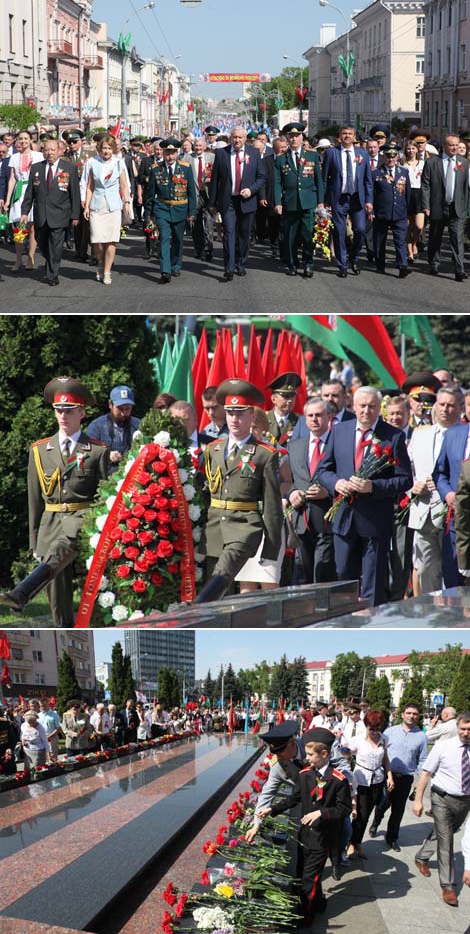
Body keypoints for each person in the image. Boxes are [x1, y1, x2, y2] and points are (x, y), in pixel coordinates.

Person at [0, 376, 109, 625]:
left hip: (83, 525)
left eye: (69, 411)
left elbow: (104, 496)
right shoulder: (40, 450)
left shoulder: (97, 451)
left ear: (82, 413)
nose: (63, 416)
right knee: (58, 604)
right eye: (59, 410)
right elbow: (34, 499)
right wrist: (34, 540)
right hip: (51, 527)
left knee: (96, 596)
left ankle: (22, 593)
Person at [316, 387, 413, 606]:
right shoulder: (339, 431)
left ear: (380, 409)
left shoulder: (393, 436)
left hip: (375, 521)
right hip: (344, 518)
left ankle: (371, 627)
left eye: (372, 406)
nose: (366, 411)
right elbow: (323, 471)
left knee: (373, 581)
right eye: (362, 406)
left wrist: (372, 486)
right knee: (343, 578)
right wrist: (336, 483)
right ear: (353, 406)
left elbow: (405, 480)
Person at [194, 378, 284, 604]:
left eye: (240, 413)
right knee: (219, 590)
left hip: (245, 528)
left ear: (252, 416)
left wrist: (271, 550)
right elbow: (206, 492)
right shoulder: (213, 449)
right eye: (230, 412)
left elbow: (272, 507)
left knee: (220, 576)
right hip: (215, 528)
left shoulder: (265, 454)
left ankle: (194, 610)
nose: (234, 419)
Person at [259, 727, 352, 924]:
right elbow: (295, 798)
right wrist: (271, 810)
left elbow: (343, 810)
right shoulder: (305, 775)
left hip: (322, 837)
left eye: (310, 754)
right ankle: (318, 903)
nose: (307, 758)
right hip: (305, 835)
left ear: (324, 754)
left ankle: (305, 915)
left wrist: (321, 812)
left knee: (309, 878)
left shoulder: (338, 780)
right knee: (304, 874)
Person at [407, 386, 462, 595]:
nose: (445, 410)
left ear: (459, 408)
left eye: (451, 405)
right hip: (423, 513)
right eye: (441, 404)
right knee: (424, 569)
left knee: (454, 572)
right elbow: (408, 472)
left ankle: (455, 619)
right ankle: (433, 617)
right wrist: (414, 487)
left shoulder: (465, 435)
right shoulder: (420, 435)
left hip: (453, 514)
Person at [413, 711, 470, 906]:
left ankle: (421, 857)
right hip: (442, 798)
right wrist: (418, 800)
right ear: (457, 727)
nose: (466, 733)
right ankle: (448, 886)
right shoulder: (443, 746)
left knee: (445, 832)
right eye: (463, 728)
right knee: (447, 841)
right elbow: (426, 773)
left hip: (464, 801)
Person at [287, 397, 336, 584]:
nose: (314, 419)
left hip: (328, 520)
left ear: (329, 417)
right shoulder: (295, 447)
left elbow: (347, 476)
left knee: (323, 572)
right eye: (310, 416)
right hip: (302, 521)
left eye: (319, 415)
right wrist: (292, 493)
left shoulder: (338, 443)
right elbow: (287, 480)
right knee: (304, 576)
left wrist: (328, 492)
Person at [20, 136, 80, 286]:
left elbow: (75, 194)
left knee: (56, 245)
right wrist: (24, 212)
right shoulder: (36, 168)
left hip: (60, 214)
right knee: (42, 243)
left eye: (52, 150)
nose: (49, 153)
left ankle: (52, 275)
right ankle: (50, 261)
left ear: (59, 151)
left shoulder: (69, 168)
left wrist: (75, 214)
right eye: (46, 150)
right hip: (41, 214)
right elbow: (30, 193)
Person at [208, 127, 266, 280]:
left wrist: (251, 190)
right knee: (229, 234)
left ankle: (241, 263)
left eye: (240, 137)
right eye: (234, 137)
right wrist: (212, 203)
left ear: (245, 138)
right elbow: (215, 180)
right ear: (230, 138)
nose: (237, 140)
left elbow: (261, 177)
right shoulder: (222, 154)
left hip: (247, 200)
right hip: (229, 202)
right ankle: (229, 267)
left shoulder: (253, 153)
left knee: (244, 235)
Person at [369, 703, 428, 850]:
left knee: (398, 809)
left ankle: (392, 837)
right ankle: (375, 823)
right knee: (382, 804)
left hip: (406, 778)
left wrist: (419, 782)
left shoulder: (421, 737)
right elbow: (380, 750)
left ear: (418, 716)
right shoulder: (390, 732)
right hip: (388, 775)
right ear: (402, 714)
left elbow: (422, 760)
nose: (411, 716)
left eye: (415, 714)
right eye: (408, 713)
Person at [273, 122, 324, 277]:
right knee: (291, 236)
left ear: (302, 137)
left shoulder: (312, 155)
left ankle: (308, 264)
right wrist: (278, 202)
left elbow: (319, 180)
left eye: (297, 136)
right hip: (290, 202)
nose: (294, 139)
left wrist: (321, 201)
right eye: (291, 136)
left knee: (308, 235)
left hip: (309, 202)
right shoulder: (281, 159)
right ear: (287, 138)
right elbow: (277, 182)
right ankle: (292, 264)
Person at [322, 124, 373, 277]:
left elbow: (367, 180)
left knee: (360, 230)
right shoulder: (332, 153)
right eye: (344, 133)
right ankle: (342, 265)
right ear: (340, 135)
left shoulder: (362, 154)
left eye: (350, 133)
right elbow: (325, 178)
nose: (347, 136)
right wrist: (324, 201)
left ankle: (354, 258)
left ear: (354, 136)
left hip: (357, 198)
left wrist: (369, 200)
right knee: (339, 232)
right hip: (338, 198)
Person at [144, 137, 197, 284]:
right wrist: (148, 214)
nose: (170, 156)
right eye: (168, 152)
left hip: (180, 208)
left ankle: (176, 265)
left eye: (173, 153)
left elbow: (191, 191)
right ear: (163, 152)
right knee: (164, 239)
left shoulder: (185, 168)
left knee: (178, 240)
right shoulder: (156, 169)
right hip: (162, 208)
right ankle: (165, 270)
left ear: (177, 152)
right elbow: (150, 193)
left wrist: (192, 211)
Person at [245, 720, 306, 843]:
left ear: (292, 743)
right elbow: (268, 792)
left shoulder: (310, 745)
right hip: (305, 801)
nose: (278, 756)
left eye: (280, 751)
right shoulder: (278, 764)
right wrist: (256, 824)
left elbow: (340, 764)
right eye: (275, 753)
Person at [421, 133, 470, 281]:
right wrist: (426, 205)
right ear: (444, 147)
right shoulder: (432, 162)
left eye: (456, 145)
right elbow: (425, 185)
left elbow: (465, 188)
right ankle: (434, 263)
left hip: (457, 208)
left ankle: (459, 270)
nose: (454, 147)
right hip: (437, 206)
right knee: (435, 238)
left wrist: (466, 207)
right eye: (451, 145)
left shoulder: (463, 162)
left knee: (457, 239)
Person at [83, 134, 131, 285]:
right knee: (97, 241)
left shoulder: (119, 163)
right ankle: (100, 262)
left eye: (109, 148)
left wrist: (127, 202)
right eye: (104, 148)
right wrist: (86, 205)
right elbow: (90, 186)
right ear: (99, 149)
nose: (106, 151)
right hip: (97, 206)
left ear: (114, 149)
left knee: (111, 241)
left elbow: (124, 185)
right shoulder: (92, 163)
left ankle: (107, 270)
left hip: (113, 207)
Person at [345, 710, 394, 858]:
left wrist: (389, 776)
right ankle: (352, 843)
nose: (373, 732)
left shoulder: (384, 739)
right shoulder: (358, 740)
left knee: (368, 813)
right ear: (366, 726)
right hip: (361, 780)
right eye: (371, 728)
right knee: (360, 814)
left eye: (377, 729)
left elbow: (385, 758)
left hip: (377, 779)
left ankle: (357, 842)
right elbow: (346, 755)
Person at [370, 142, 411, 278]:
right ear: (384, 157)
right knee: (380, 240)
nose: (391, 159)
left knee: (400, 240)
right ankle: (380, 264)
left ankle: (402, 265)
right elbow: (372, 194)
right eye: (388, 156)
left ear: (397, 157)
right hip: (381, 213)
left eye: (393, 157)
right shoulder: (376, 173)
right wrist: (371, 210)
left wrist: (407, 213)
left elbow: (408, 193)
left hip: (399, 212)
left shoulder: (403, 172)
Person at [4, 129, 43, 272]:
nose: (23, 141)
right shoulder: (14, 157)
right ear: (17, 140)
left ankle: (30, 258)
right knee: (19, 228)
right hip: (20, 192)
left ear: (30, 140)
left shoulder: (38, 156)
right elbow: (12, 179)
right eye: (21, 138)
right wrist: (8, 199)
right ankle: (18, 259)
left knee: (32, 227)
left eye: (26, 138)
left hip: (34, 191)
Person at [86, 385, 141, 476]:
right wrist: (106, 456)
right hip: (104, 478)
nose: (124, 413)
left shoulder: (138, 425)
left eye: (127, 409)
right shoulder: (96, 426)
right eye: (119, 409)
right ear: (110, 404)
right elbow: (87, 453)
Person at [189, 137, 215, 261]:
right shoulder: (187, 158)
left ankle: (209, 249)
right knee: (196, 223)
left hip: (208, 194)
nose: (198, 148)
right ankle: (198, 249)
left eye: (200, 146)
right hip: (194, 194)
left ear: (205, 146)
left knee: (209, 222)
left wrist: (212, 179)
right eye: (196, 146)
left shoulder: (212, 157)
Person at [402, 140, 425, 263]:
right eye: (408, 149)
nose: (411, 151)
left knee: (418, 226)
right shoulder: (402, 164)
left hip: (420, 195)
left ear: (417, 150)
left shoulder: (423, 163)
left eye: (413, 148)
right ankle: (409, 252)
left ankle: (415, 243)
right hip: (406, 194)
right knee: (407, 226)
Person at [266, 372, 301, 442]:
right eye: (286, 396)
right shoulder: (262, 420)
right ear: (273, 399)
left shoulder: (300, 421)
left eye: (292, 396)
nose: (290, 400)